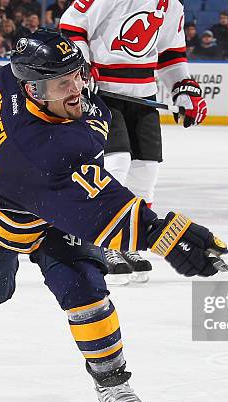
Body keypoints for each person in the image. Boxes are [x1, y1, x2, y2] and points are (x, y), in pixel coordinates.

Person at [0, 29, 227, 402]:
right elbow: (106, 210)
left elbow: (81, 163)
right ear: (33, 90)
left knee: (84, 284)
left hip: (48, 205)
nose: (77, 89)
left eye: (77, 75)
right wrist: (172, 236)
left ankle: (112, 383)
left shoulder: (14, 82)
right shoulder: (39, 151)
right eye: (62, 84)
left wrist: (73, 91)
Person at [60, 0, 209, 285]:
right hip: (103, 93)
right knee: (116, 163)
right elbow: (72, 26)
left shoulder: (171, 5)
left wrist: (183, 88)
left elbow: (170, 55)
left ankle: (131, 241)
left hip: (144, 96)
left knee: (146, 171)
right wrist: (82, 66)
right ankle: (104, 243)